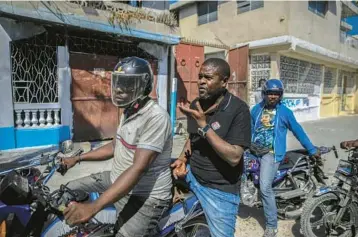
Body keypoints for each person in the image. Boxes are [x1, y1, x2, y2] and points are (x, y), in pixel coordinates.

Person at [61, 57, 173, 237]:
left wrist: (93, 207)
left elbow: (138, 168)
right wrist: (78, 158)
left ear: (144, 86)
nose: (119, 89)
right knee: (67, 189)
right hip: (117, 179)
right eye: (118, 83)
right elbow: (115, 146)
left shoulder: (155, 117)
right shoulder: (129, 110)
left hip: (145, 197)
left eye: (128, 84)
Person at [171, 58, 251, 237]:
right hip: (193, 176)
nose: (200, 81)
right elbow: (193, 139)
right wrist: (182, 159)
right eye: (200, 77)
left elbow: (234, 157)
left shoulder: (239, 110)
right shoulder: (196, 105)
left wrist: (204, 125)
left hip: (219, 190)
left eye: (207, 78)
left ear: (224, 81)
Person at [250, 79, 320, 237]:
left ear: (280, 95)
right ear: (264, 94)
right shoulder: (256, 109)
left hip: (271, 153)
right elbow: (248, 129)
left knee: (265, 187)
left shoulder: (285, 112)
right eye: (270, 93)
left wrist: (311, 149)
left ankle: (272, 225)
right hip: (254, 150)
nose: (273, 96)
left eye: (276, 94)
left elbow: (298, 130)